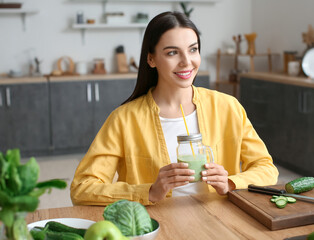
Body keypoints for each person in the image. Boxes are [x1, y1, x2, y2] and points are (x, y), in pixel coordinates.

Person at [70, 11, 279, 206]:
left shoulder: (228, 107)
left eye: (193, 49)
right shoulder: (124, 119)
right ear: (151, 59)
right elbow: (82, 188)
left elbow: (266, 168)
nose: (187, 62)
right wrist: (149, 191)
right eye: (172, 53)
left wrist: (231, 183)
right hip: (157, 228)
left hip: (218, 223)